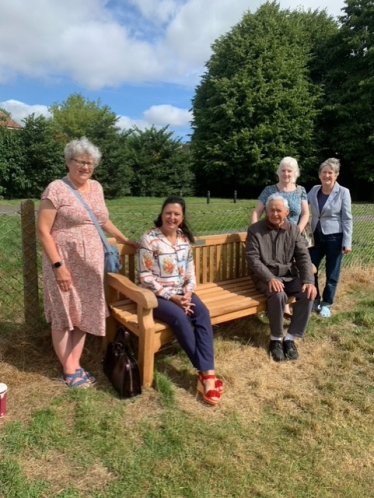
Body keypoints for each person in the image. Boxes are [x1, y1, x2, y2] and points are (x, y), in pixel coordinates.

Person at [37, 137, 136, 388]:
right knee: (64, 313)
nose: (85, 167)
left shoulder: (97, 188)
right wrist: (58, 267)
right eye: (80, 161)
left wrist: (124, 238)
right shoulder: (56, 189)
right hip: (64, 263)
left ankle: (76, 362)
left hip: (90, 265)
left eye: (90, 163)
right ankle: (69, 370)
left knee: (83, 312)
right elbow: (43, 231)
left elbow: (102, 220)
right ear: (68, 162)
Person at [138, 196, 222, 406]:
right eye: (168, 213)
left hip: (182, 293)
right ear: (162, 214)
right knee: (179, 318)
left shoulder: (184, 238)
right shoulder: (150, 238)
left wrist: (187, 292)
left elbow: (190, 270)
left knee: (202, 313)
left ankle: (206, 374)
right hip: (155, 296)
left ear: (182, 218)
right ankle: (207, 374)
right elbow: (145, 276)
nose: (171, 217)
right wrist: (172, 297)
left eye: (176, 214)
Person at [246, 194, 317, 362]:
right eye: (271, 210)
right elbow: (252, 259)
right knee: (278, 295)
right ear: (266, 211)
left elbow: (303, 256)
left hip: (288, 276)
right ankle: (276, 339)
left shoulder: (293, 230)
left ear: (286, 212)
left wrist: (308, 281)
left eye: (279, 210)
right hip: (265, 277)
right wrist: (270, 278)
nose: (275, 214)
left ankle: (291, 338)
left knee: (307, 293)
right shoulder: (255, 230)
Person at [251, 156, 310, 318]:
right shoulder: (270, 190)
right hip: (271, 236)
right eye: (283, 170)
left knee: (294, 270)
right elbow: (256, 212)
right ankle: (282, 305)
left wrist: (296, 231)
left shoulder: (300, 190)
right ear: (279, 172)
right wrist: (255, 231)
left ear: (295, 173)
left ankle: (297, 303)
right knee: (275, 267)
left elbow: (305, 213)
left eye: (289, 171)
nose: (286, 174)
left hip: (293, 237)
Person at [308, 158, 353, 318]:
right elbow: (302, 207)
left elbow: (347, 218)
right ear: (319, 175)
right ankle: (313, 299)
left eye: (330, 172)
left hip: (335, 237)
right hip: (315, 238)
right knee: (310, 268)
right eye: (324, 172)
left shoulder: (343, 192)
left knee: (332, 273)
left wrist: (347, 242)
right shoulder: (313, 190)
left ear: (336, 175)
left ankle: (327, 303)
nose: (327, 175)